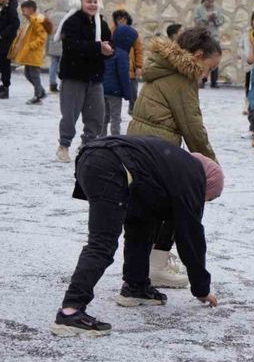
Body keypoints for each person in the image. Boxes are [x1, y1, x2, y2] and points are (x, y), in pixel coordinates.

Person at [50, 135, 223, 337]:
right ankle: (71, 311)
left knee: (141, 223)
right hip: (111, 165)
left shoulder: (173, 165)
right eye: (208, 198)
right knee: (102, 242)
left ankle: (136, 286)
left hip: (94, 157)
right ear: (206, 184)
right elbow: (191, 238)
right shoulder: (192, 176)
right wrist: (202, 289)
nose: (203, 202)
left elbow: (146, 220)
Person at [127, 26, 221, 288]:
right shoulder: (182, 77)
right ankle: (155, 266)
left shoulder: (164, 66)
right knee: (178, 205)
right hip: (158, 149)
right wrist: (212, 168)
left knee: (143, 212)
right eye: (209, 68)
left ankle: (141, 270)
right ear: (199, 55)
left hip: (139, 143)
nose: (207, 75)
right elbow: (193, 128)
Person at [53, 0, 113, 163]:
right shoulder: (72, 22)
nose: (93, 5)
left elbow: (110, 43)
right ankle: (64, 146)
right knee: (70, 115)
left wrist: (110, 50)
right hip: (73, 76)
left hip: (95, 78)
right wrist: (98, 47)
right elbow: (72, 47)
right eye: (89, 1)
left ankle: (88, 145)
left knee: (96, 115)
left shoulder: (101, 23)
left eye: (95, 1)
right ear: (80, 2)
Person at [8, 0, 52, 105]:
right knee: (28, 74)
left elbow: (42, 37)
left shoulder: (37, 21)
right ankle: (41, 91)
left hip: (34, 53)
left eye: (24, 11)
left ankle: (38, 96)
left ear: (31, 10)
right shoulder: (30, 21)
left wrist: (30, 46)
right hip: (29, 53)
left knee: (34, 75)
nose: (22, 13)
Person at [101, 18, 139, 136]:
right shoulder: (122, 54)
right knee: (115, 117)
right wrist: (128, 94)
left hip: (103, 89)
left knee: (104, 116)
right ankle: (114, 138)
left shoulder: (107, 50)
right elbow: (123, 75)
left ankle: (101, 137)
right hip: (115, 92)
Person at [111, 10, 144, 117]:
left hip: (130, 68)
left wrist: (139, 66)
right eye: (119, 19)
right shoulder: (111, 31)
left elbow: (139, 50)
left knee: (133, 93)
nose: (121, 21)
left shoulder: (132, 33)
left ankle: (133, 110)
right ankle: (114, 114)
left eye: (123, 19)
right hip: (114, 67)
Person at [192, 0, 225, 88]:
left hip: (214, 37)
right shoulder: (199, 9)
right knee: (202, 58)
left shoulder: (217, 9)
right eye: (208, 1)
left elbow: (221, 21)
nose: (210, 3)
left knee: (214, 58)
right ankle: (201, 81)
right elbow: (196, 22)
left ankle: (214, 82)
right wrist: (206, 18)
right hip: (203, 37)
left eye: (212, 1)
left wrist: (215, 19)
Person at [47, 0, 69, 93]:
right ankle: (62, 84)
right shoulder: (67, 16)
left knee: (53, 64)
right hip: (62, 43)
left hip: (53, 42)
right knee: (62, 64)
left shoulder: (52, 16)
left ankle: (52, 83)